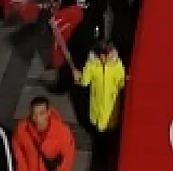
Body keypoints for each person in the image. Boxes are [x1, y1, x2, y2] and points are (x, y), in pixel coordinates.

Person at [75, 41, 127, 171]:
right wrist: (79, 78)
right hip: (97, 114)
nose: (105, 58)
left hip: (112, 114)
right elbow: (85, 82)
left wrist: (125, 80)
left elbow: (121, 83)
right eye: (103, 55)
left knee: (109, 142)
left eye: (107, 54)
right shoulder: (91, 65)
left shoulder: (117, 65)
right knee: (99, 144)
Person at [12, 97, 77, 171]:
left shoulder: (63, 132)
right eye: (35, 114)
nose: (38, 118)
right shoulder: (22, 129)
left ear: (48, 112)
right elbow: (17, 146)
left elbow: (67, 159)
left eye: (41, 113)